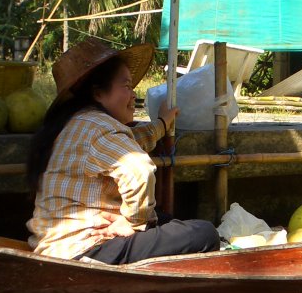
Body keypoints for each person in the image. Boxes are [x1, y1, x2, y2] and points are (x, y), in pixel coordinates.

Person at [26, 37, 221, 264]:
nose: (133, 95)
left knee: (162, 219)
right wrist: (131, 222)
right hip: (86, 249)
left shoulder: (74, 125)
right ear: (98, 93)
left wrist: (162, 124)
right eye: (127, 86)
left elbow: (132, 141)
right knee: (204, 233)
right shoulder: (98, 126)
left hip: (55, 246)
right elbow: (138, 167)